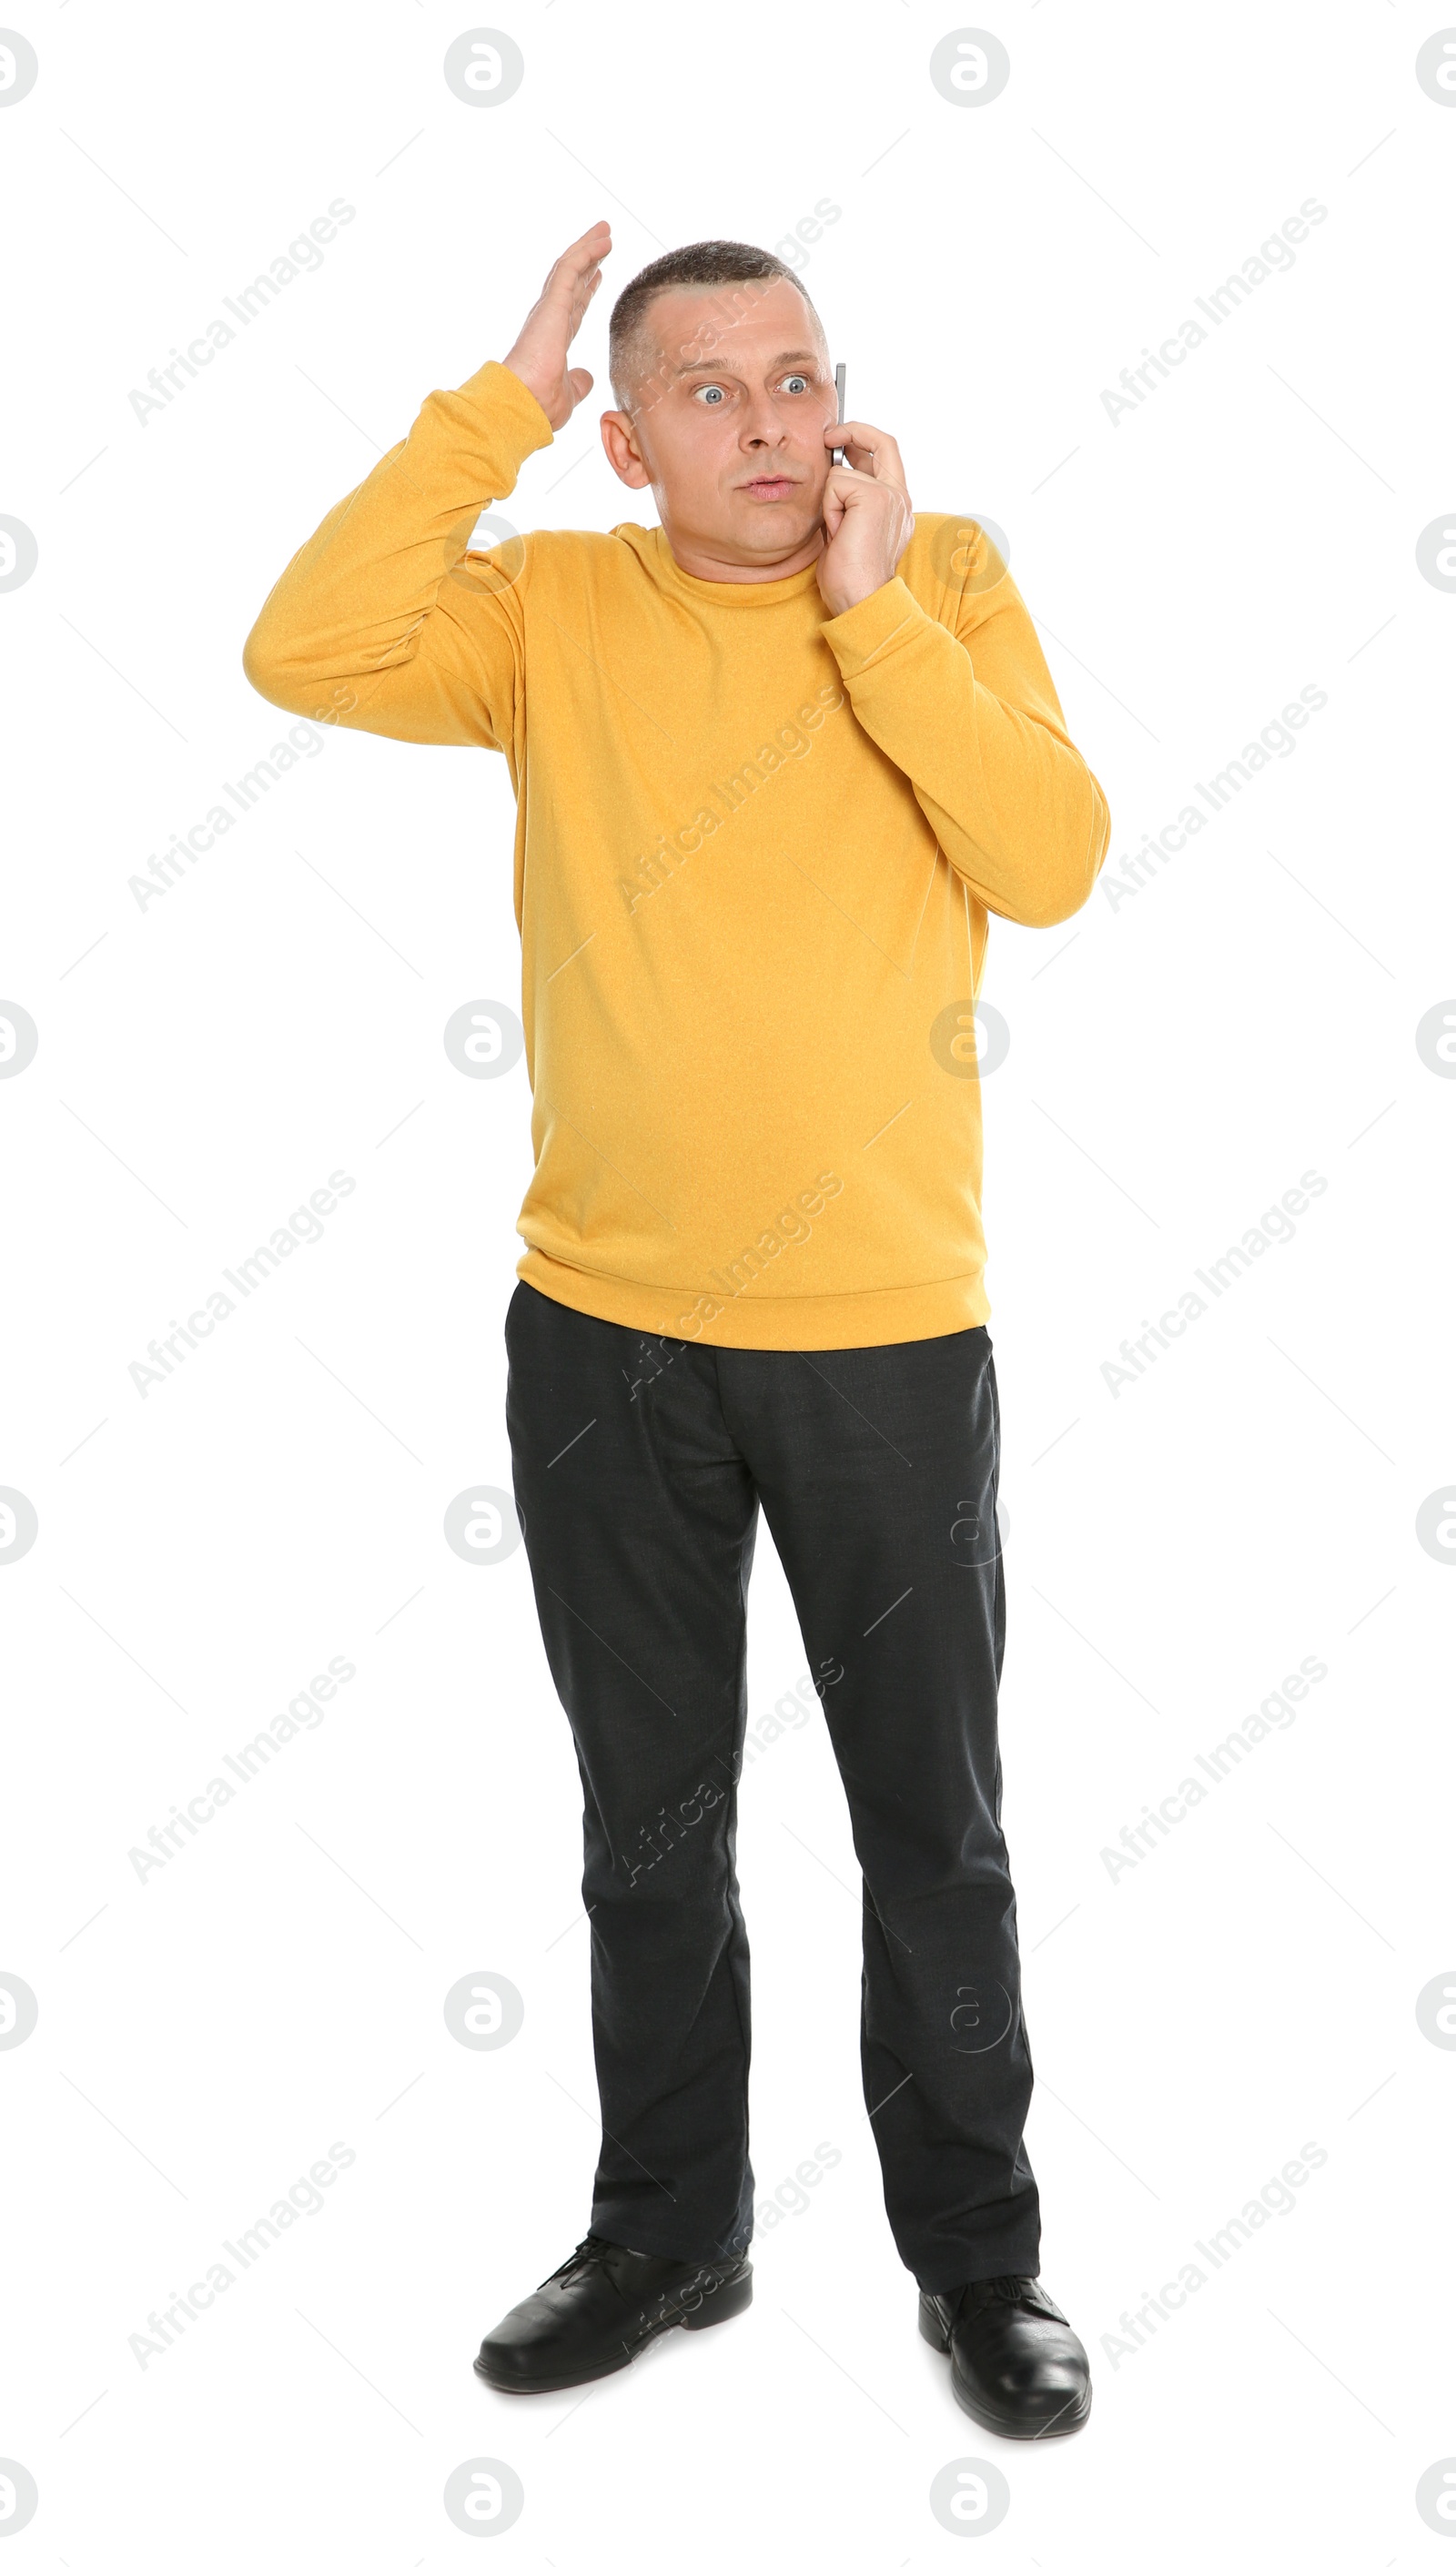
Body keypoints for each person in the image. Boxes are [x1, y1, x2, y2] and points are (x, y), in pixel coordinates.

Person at [243, 220, 1110, 2436]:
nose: (766, 424)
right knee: (650, 1817)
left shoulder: (948, 581)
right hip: (601, 1328)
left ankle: (978, 2261)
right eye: (706, 394)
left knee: (932, 1816)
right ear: (627, 444)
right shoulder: (551, 607)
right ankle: (666, 2231)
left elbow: (1048, 855)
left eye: (798, 379)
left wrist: (873, 612)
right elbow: (300, 643)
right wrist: (492, 410)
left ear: (849, 410)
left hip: (885, 1338)